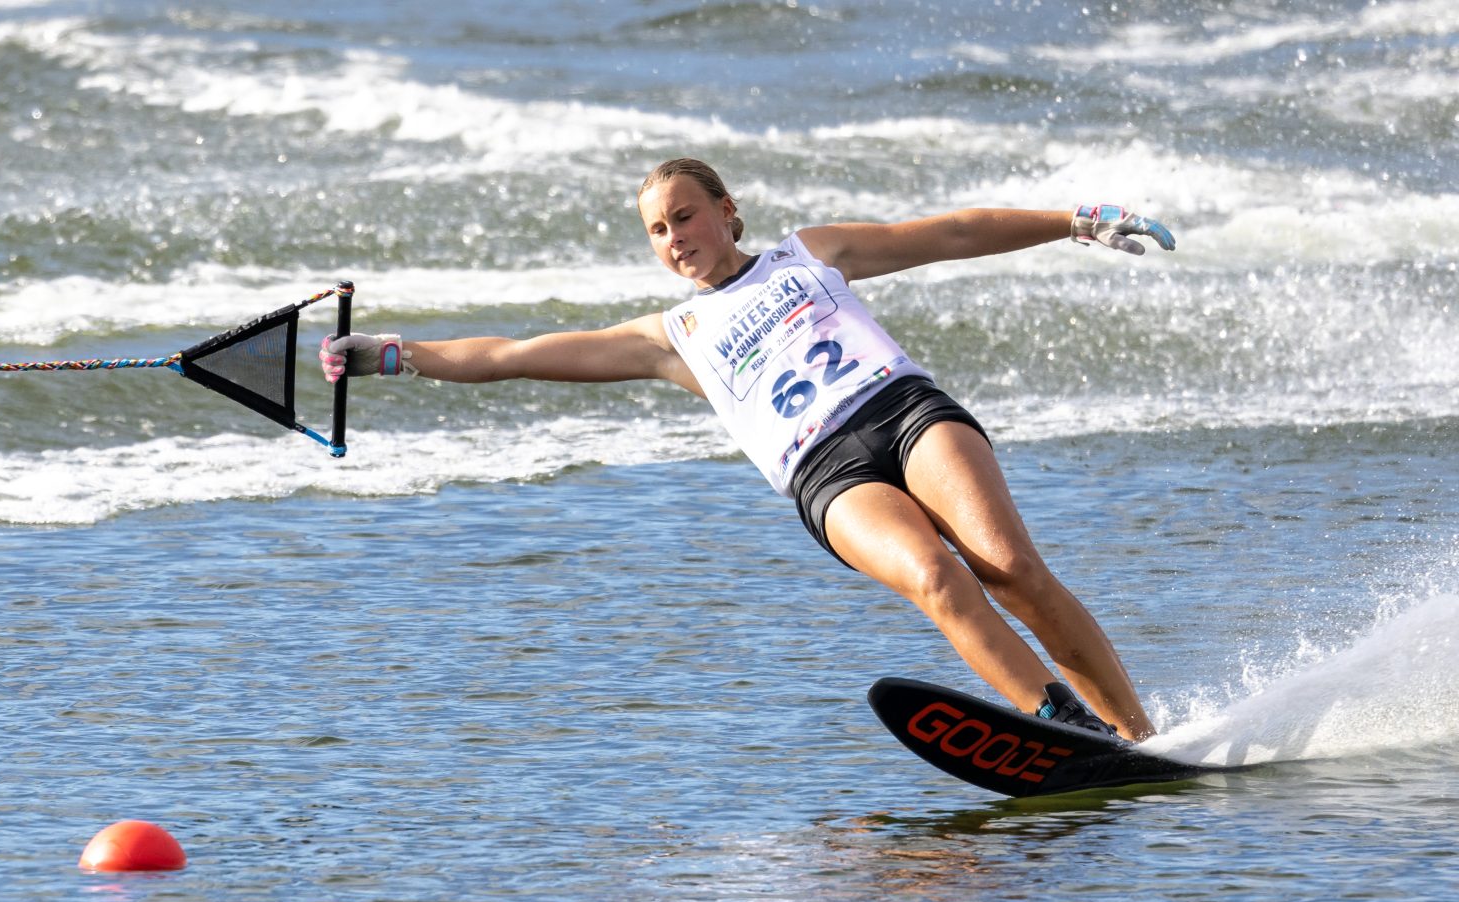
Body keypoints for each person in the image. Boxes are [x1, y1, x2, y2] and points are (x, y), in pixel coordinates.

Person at [322, 158, 1176, 741]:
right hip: (826, 471)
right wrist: (397, 355)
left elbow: (947, 232)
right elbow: (512, 358)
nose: (675, 237)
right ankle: (1067, 729)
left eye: (685, 216)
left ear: (727, 212)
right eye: (657, 230)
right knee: (936, 579)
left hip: (903, 411)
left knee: (1010, 568)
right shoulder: (670, 337)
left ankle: (1141, 735)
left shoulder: (813, 254)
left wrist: (1075, 220)